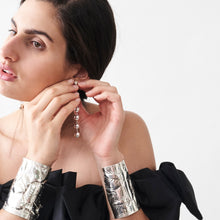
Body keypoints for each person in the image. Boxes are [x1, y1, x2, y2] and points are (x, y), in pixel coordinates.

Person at [0, 0, 202, 219]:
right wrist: (36, 162)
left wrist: (108, 158)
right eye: (13, 30)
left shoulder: (125, 131)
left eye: (36, 43)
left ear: (79, 69)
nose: (6, 50)